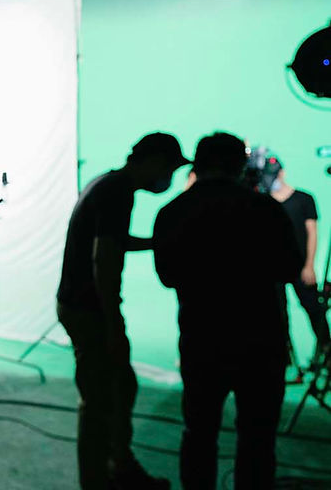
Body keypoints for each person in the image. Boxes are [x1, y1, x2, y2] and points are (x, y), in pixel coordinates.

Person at [152, 132, 303, 490]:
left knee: (199, 434)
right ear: (240, 165)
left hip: (202, 340)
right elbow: (289, 268)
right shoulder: (266, 210)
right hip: (261, 342)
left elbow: (168, 275)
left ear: (198, 164)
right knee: (258, 438)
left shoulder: (174, 211)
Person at [57, 132, 189, 490]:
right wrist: (113, 321)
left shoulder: (107, 183)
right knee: (99, 401)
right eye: (169, 169)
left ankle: (120, 466)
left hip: (80, 304)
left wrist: (154, 243)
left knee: (121, 387)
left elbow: (112, 240)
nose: (168, 179)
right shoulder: (118, 191)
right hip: (89, 310)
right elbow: (104, 258)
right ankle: (98, 480)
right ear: (154, 161)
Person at [267, 157, 331, 367]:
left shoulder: (303, 199)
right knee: (278, 317)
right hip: (273, 270)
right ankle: (286, 361)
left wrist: (309, 265)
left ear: (282, 173)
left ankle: (327, 352)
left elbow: (312, 232)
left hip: (300, 266)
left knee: (314, 309)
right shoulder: (263, 203)